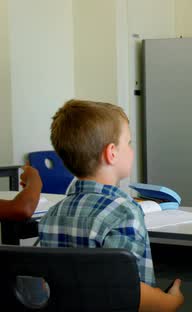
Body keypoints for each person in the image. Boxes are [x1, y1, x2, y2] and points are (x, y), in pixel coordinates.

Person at [38, 100, 184, 312]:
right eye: (129, 142)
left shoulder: (52, 214)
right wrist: (170, 302)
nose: (131, 149)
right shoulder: (124, 212)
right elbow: (127, 291)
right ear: (112, 153)